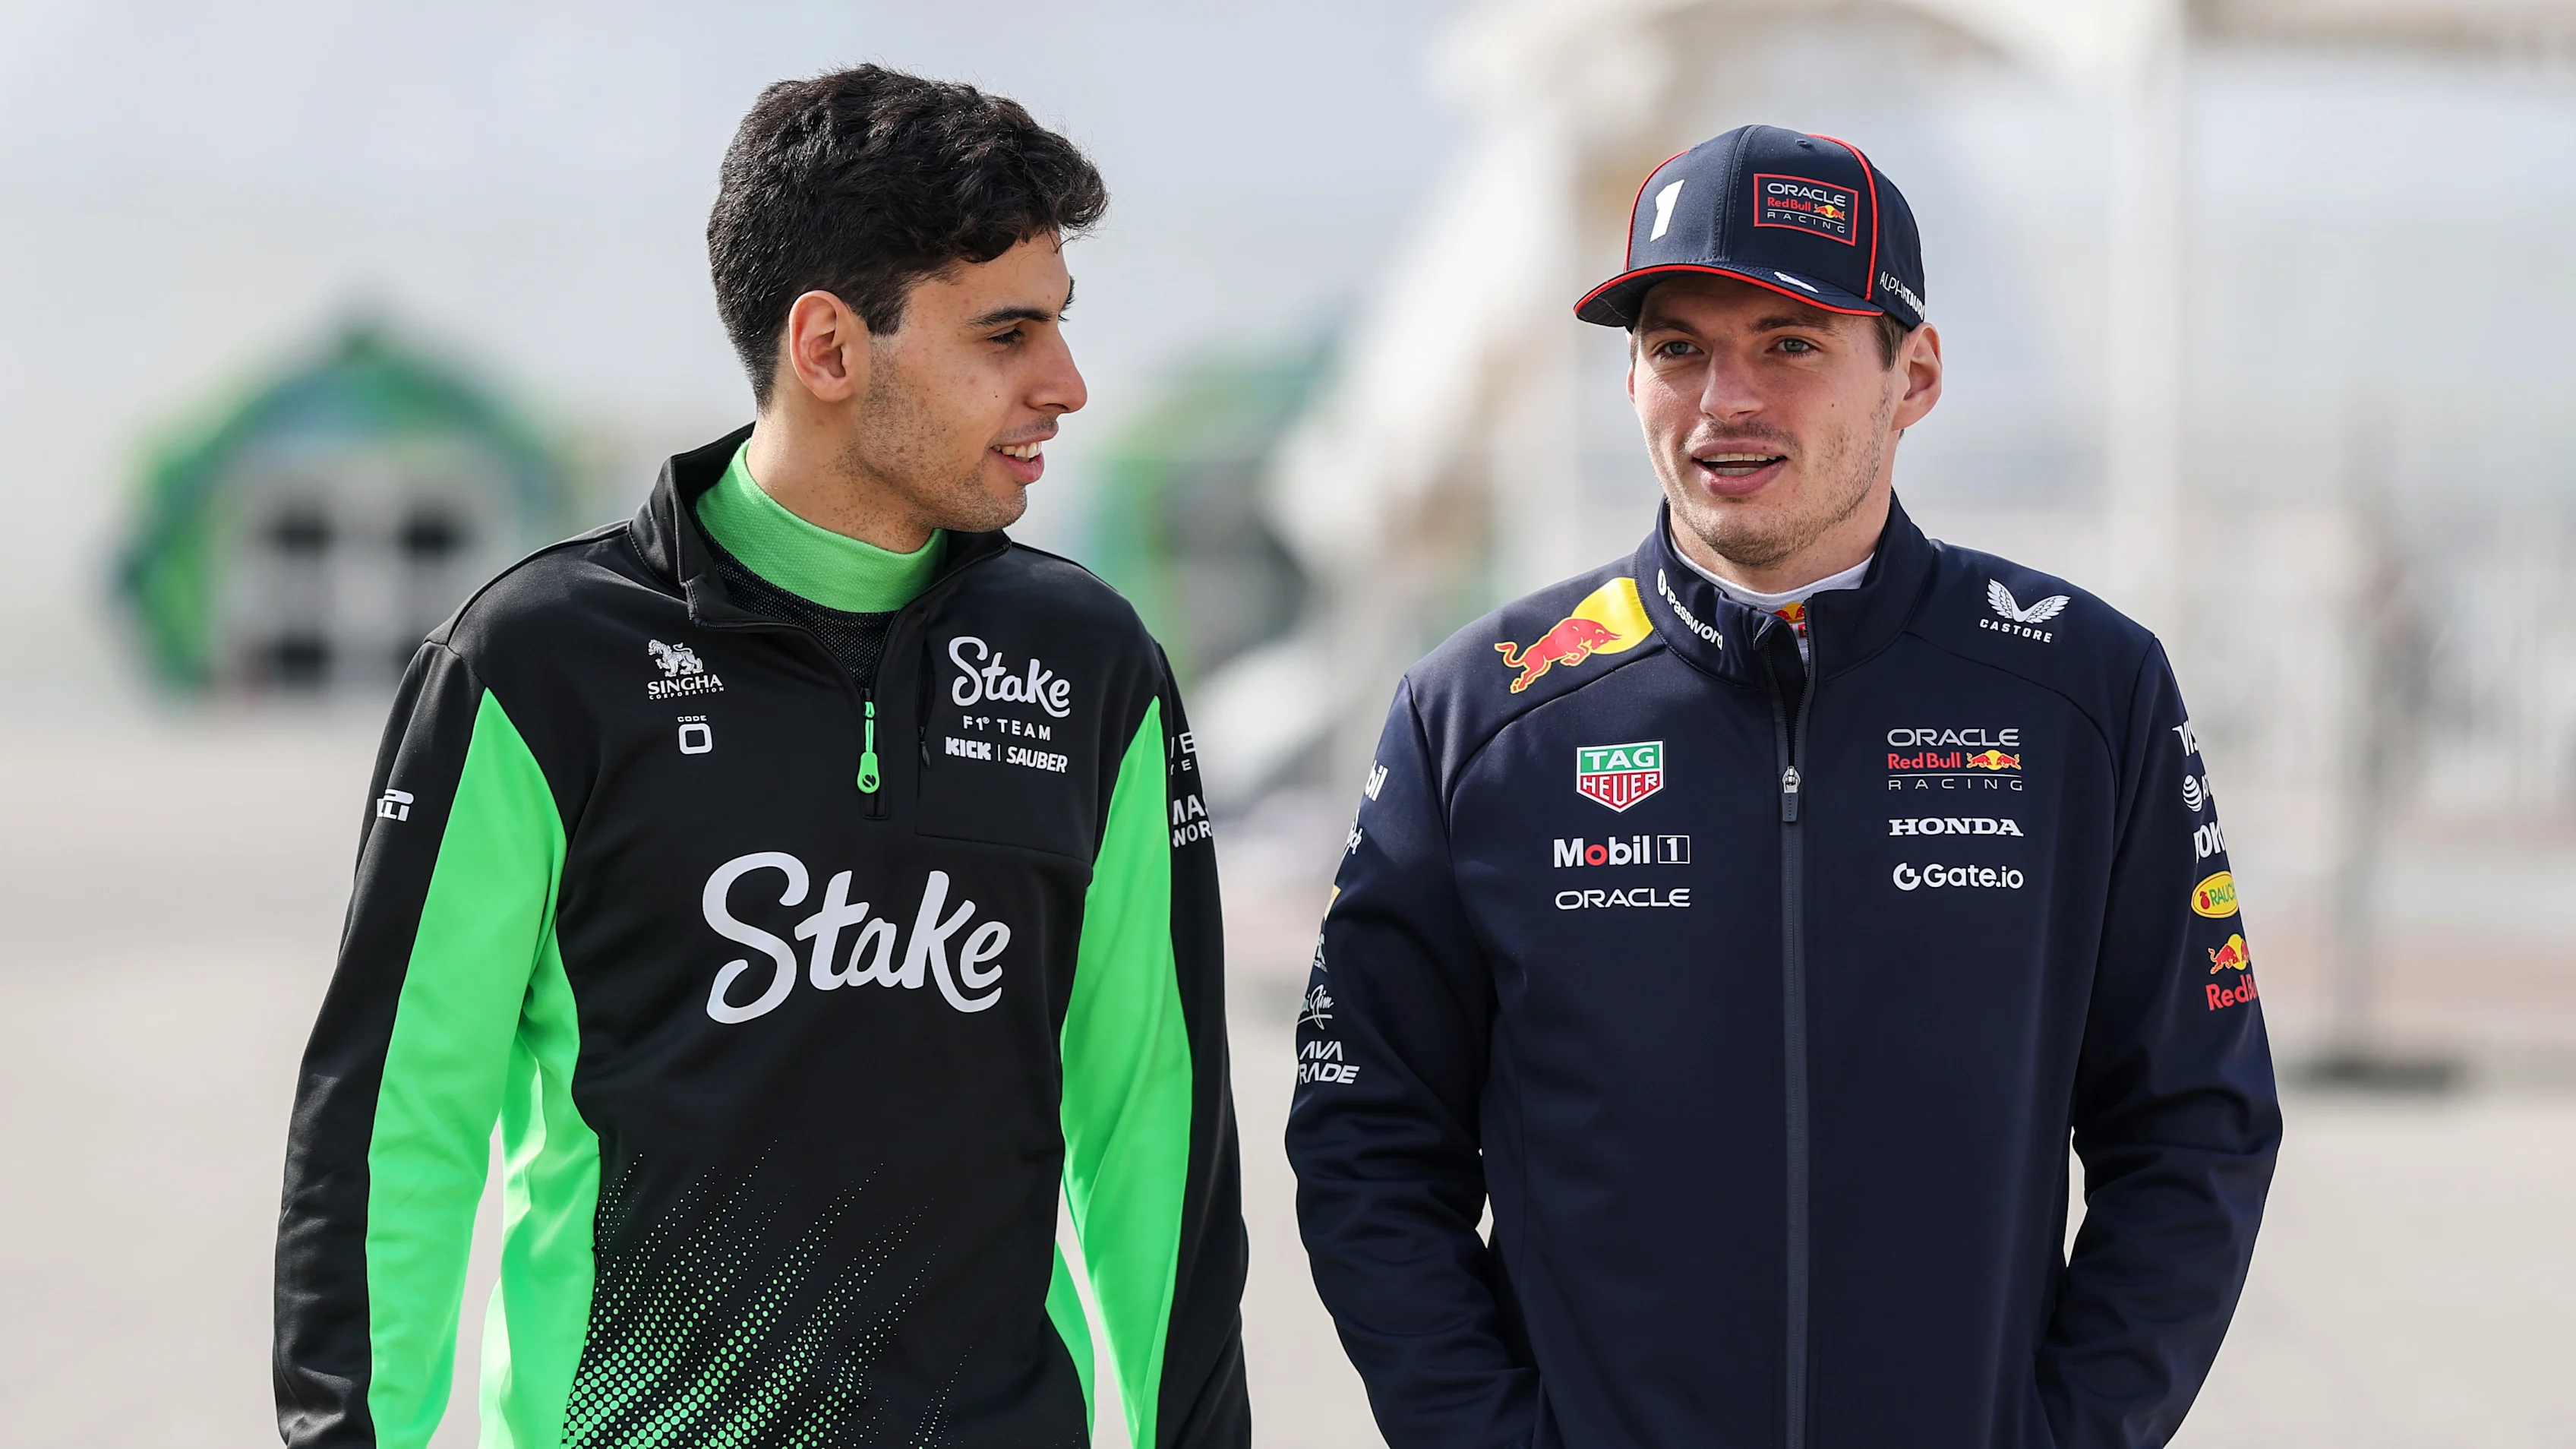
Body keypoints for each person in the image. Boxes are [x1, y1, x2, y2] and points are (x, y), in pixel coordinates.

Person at [273, 66, 1249, 1449]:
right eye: (1007, 334)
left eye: (1061, 328)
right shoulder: (536, 665)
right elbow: (397, 1123)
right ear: (831, 348)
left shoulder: (1094, 668)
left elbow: (1158, 1132)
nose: (1067, 384)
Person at [1285, 125, 2278, 1448]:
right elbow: (1365, 1136)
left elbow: (2196, 1124)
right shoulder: (1484, 714)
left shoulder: (2086, 695)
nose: (1723, 401)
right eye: (1676, 347)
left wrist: (2070, 1431)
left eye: (1789, 343)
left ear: (1912, 374)